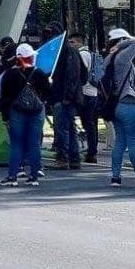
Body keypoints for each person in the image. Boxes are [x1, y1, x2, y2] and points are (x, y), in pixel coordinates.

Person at [0, 44, 52, 187]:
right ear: (31, 57)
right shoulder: (39, 73)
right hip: (37, 112)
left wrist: (5, 117)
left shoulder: (9, 74)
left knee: (16, 145)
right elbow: (47, 92)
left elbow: (4, 97)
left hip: (17, 112)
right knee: (34, 144)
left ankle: (12, 176)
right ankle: (34, 176)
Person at [103, 29, 135, 188]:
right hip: (129, 104)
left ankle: (115, 177)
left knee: (119, 143)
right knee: (134, 144)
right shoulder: (122, 57)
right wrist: (123, 43)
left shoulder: (108, 59)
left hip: (115, 106)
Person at [49, 34, 87, 169]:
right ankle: (73, 158)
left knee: (62, 128)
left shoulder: (65, 51)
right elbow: (82, 75)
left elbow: (73, 75)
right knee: (69, 127)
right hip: (67, 96)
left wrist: (67, 95)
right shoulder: (69, 50)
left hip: (63, 97)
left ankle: (63, 158)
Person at [72, 33, 100, 164]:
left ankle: (91, 152)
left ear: (79, 42)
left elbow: (79, 73)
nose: (71, 45)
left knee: (87, 123)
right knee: (91, 123)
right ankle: (92, 151)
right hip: (93, 92)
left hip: (85, 92)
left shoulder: (82, 55)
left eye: (72, 42)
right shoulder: (91, 54)